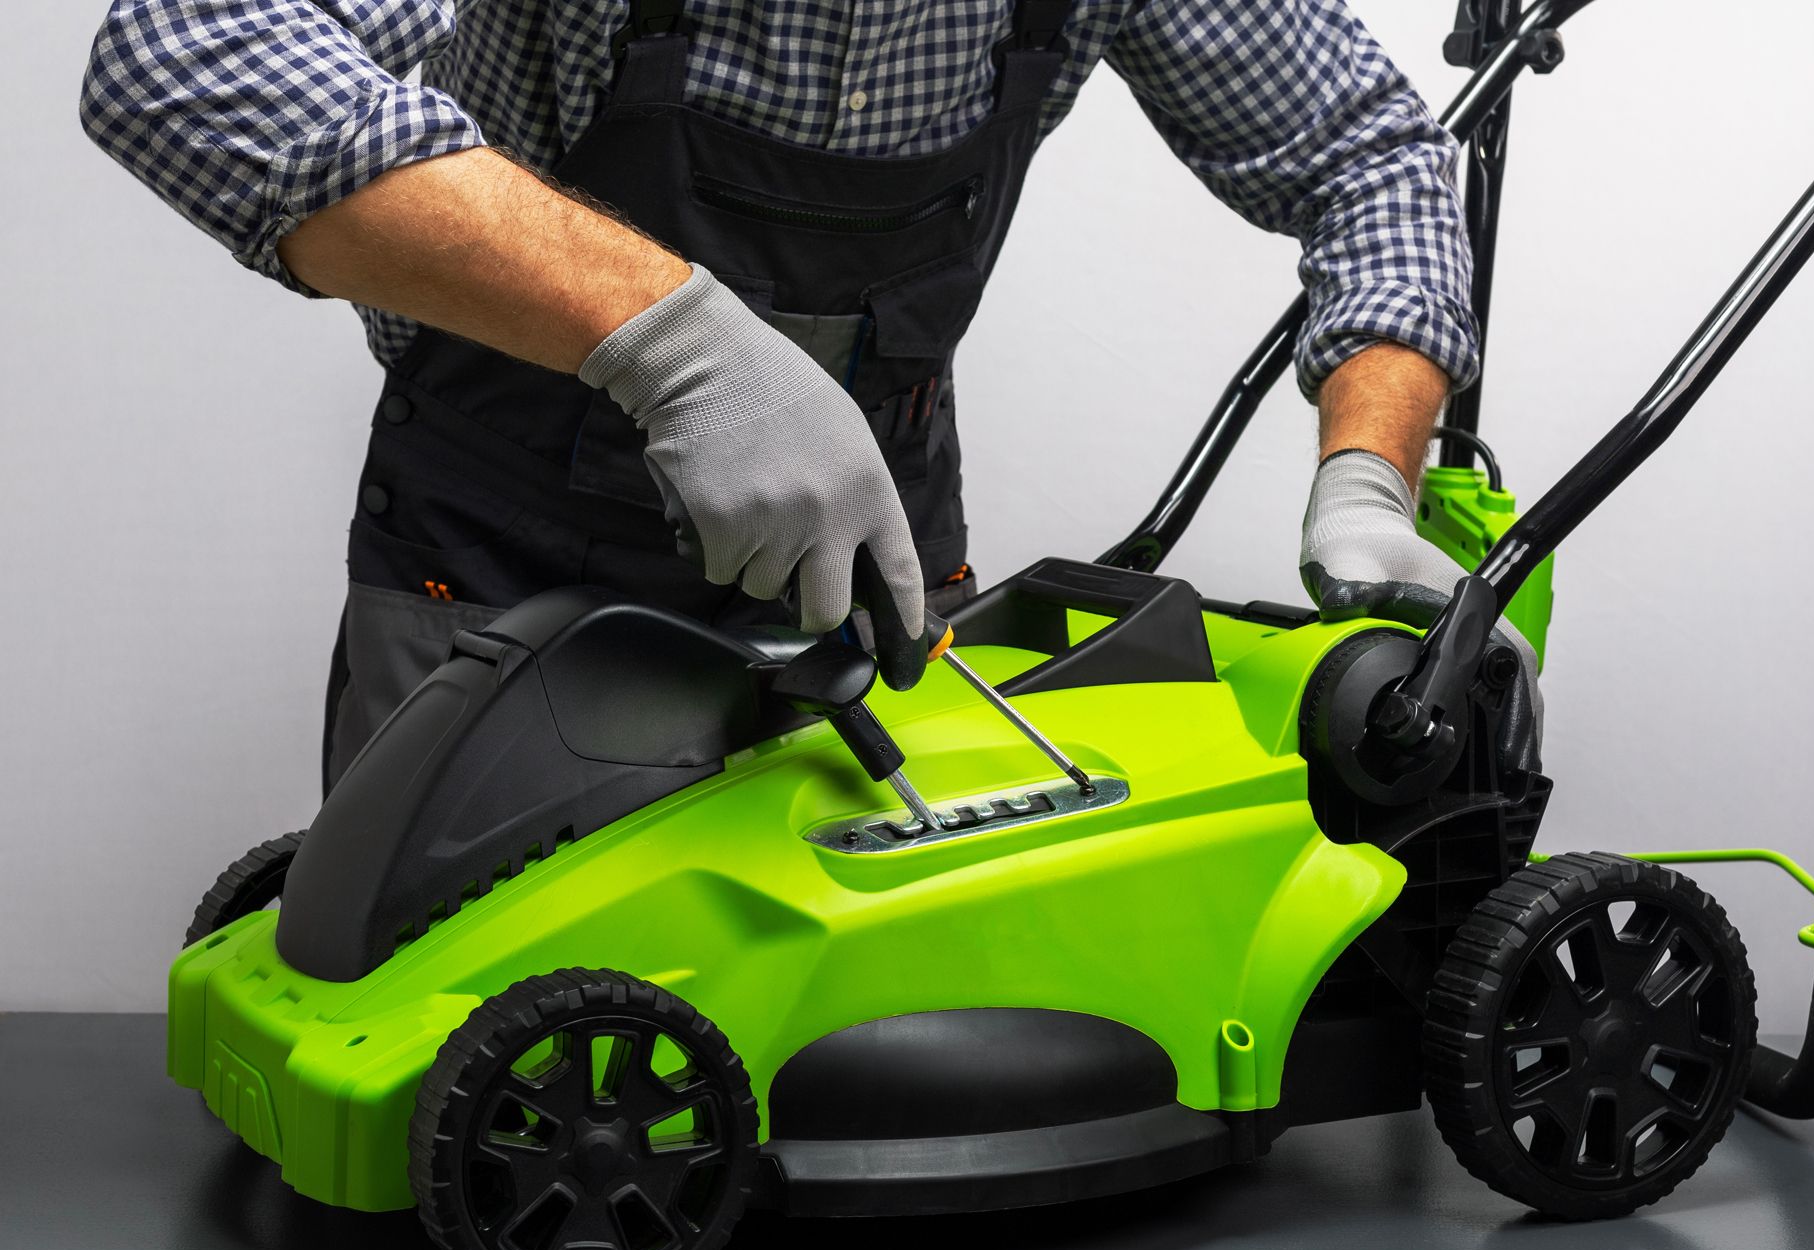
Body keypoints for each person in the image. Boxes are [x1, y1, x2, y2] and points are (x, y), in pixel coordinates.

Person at [80, 0, 1530, 789]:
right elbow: (186, 53)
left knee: (857, 1068)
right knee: (472, 1076)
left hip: (872, 593)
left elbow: (1373, 157)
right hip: (496, 562)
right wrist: (675, 344)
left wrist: (1368, 478)